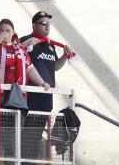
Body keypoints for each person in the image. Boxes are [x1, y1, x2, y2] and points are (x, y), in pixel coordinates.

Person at [19, 11, 72, 161]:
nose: (47, 27)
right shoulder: (26, 40)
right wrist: (27, 44)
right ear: (34, 25)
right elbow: (16, 53)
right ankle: (25, 161)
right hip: (31, 92)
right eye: (43, 23)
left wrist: (64, 56)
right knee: (28, 129)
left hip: (47, 95)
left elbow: (54, 66)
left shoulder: (50, 46)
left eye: (48, 24)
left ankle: (32, 159)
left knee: (38, 130)